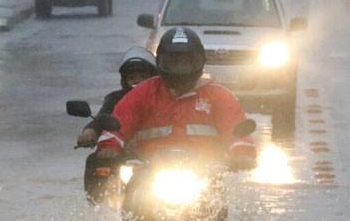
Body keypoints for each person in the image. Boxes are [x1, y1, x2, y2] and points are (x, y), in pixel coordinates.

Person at [98, 27, 256, 170]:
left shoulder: (219, 96)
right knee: (110, 182)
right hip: (148, 172)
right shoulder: (142, 93)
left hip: (205, 174)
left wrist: (242, 153)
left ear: (200, 61)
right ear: (160, 62)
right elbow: (120, 123)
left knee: (224, 199)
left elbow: (237, 131)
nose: (180, 68)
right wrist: (109, 146)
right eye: (173, 62)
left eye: (186, 62)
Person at [80, 46, 157, 201]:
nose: (137, 81)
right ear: (124, 80)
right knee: (95, 162)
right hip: (124, 155)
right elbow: (102, 118)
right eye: (132, 77)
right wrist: (90, 132)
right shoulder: (115, 99)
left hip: (159, 154)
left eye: (142, 76)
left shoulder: (163, 98)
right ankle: (101, 209)